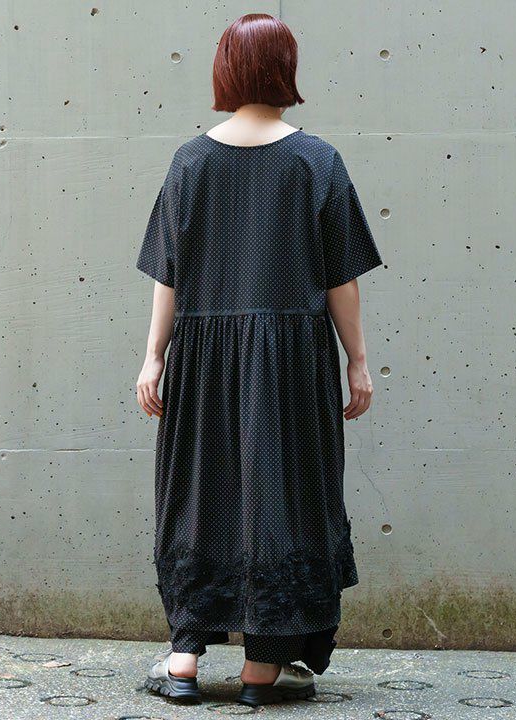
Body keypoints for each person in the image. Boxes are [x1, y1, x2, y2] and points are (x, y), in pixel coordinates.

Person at [135, 13, 383, 707]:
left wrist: (153, 358)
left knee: (196, 493)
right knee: (288, 498)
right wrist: (358, 361)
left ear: (225, 69)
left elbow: (168, 276)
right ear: (286, 70)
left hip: (203, 361)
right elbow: (340, 279)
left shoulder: (189, 162)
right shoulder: (318, 161)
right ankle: (261, 669)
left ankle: (183, 661)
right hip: (291, 362)